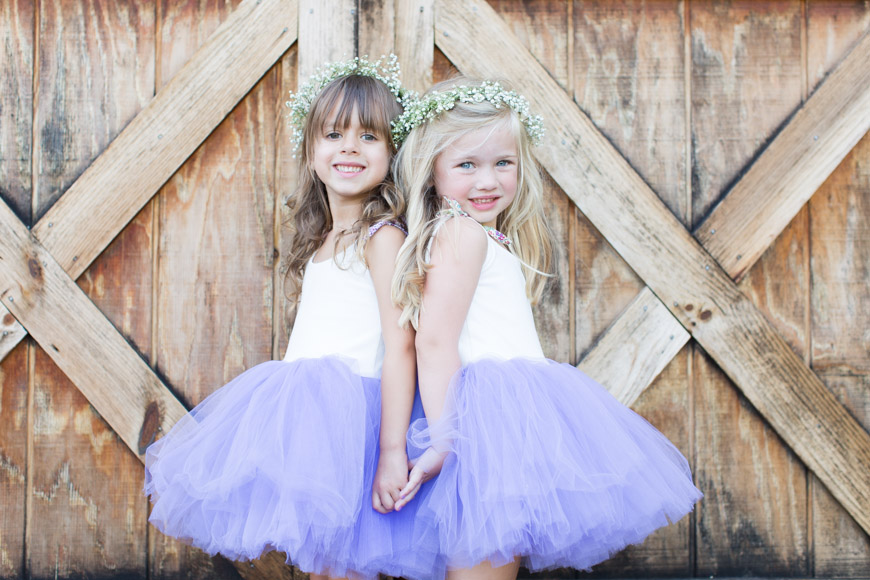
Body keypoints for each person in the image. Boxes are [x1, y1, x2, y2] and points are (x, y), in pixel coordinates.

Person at [391, 77, 703, 579]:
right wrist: (446, 440)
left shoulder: (483, 234)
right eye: (466, 165)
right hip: (481, 426)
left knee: (495, 559)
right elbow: (433, 340)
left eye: (502, 163)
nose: (487, 180)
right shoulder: (462, 235)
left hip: (505, 422)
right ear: (432, 171)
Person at [144, 55, 442, 580]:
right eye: (333, 134)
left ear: (394, 154)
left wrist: (392, 450)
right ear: (310, 152)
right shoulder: (325, 237)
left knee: (348, 565)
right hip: (308, 420)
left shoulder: (382, 236)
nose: (349, 147)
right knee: (324, 566)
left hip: (356, 422)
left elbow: (402, 346)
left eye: (369, 137)